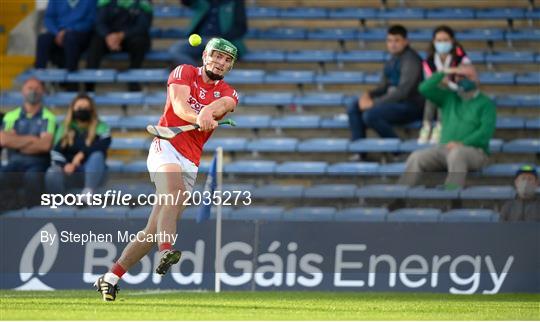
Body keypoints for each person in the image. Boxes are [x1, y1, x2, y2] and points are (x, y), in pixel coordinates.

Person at [94, 38, 239, 301]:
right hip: (166, 145)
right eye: (217, 56)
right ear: (205, 55)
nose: (221, 63)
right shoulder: (183, 72)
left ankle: (111, 277)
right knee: (174, 194)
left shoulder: (229, 92)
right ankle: (166, 250)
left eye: (227, 60)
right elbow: (181, 107)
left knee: (152, 230)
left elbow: (224, 105)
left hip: (191, 161)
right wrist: (200, 117)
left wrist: (209, 111)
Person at [398, 66, 496, 189]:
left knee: (457, 153)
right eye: (458, 76)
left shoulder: (486, 103)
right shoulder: (449, 97)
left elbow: (485, 133)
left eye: (465, 76)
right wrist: (445, 72)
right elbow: (424, 88)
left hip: (475, 153)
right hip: (445, 150)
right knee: (417, 157)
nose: (460, 79)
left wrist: (462, 143)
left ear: (476, 79)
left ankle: (451, 197)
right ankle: (399, 196)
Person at [347, 25, 424, 144]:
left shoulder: (411, 60)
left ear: (406, 41)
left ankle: (397, 150)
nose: (393, 44)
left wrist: (374, 103)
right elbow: (383, 87)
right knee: (354, 106)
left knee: (370, 115)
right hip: (394, 103)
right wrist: (368, 95)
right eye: (389, 41)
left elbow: (403, 91)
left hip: (411, 106)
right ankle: (359, 150)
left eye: (397, 40)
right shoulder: (391, 60)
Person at [0, 78, 55, 205]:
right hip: (14, 164)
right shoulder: (11, 116)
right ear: (23, 91)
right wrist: (32, 139)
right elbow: (3, 140)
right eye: (30, 88)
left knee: (33, 177)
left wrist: (17, 142)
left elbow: (45, 145)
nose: (33, 91)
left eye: (37, 88)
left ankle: (33, 213)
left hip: (38, 164)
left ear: (43, 92)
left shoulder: (48, 116)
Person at [418, 25, 476, 144]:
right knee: (434, 92)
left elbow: (469, 71)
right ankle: (427, 126)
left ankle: (440, 126)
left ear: (452, 41)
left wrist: (450, 71)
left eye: (445, 40)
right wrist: (445, 77)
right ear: (434, 42)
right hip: (441, 91)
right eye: (439, 41)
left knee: (443, 91)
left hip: (458, 91)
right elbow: (429, 81)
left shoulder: (459, 56)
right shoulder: (429, 61)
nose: (442, 43)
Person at [45, 94, 111, 196]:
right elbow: (56, 151)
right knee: (52, 172)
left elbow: (103, 145)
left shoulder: (101, 127)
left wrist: (82, 154)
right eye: (79, 107)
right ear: (73, 109)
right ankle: (57, 203)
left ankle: (87, 193)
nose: (83, 110)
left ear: (91, 110)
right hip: (69, 172)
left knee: (97, 155)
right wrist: (65, 165)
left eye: (86, 108)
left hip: (92, 172)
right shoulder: (64, 128)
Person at [85, 0, 153, 92]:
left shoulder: (143, 3)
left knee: (140, 41)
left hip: (130, 37)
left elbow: (142, 26)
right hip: (109, 38)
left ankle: (133, 79)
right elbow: (99, 22)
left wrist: (121, 35)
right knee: (96, 41)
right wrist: (108, 36)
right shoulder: (106, 2)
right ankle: (89, 84)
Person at [35, 0, 96, 91]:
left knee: (70, 38)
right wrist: (57, 32)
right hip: (58, 32)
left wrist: (68, 31)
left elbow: (91, 21)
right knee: (43, 39)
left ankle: (71, 83)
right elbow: (48, 18)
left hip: (81, 34)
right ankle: (38, 83)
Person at [168, 0, 247, 67]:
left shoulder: (235, 2)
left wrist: (220, 39)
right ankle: (197, 75)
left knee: (217, 58)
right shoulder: (202, 1)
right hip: (200, 40)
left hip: (224, 42)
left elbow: (240, 27)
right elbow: (186, 2)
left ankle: (203, 78)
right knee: (177, 50)